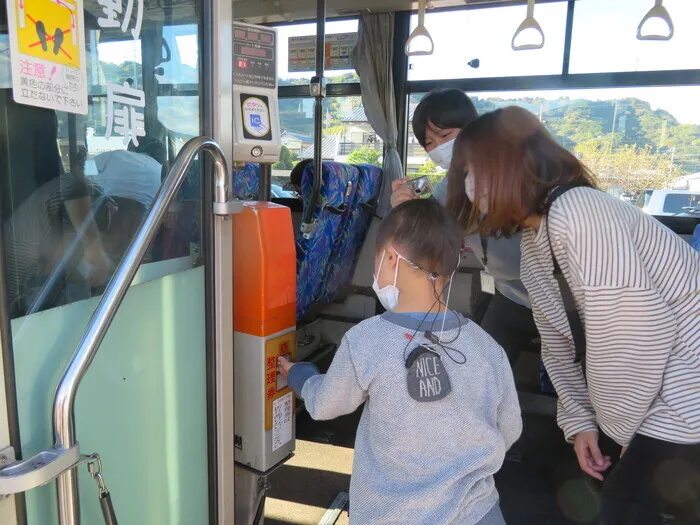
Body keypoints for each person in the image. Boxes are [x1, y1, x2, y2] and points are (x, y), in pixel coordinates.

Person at [447, 105, 700, 524]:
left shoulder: (580, 211)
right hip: (659, 392)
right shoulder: (536, 241)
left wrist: (617, 432)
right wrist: (582, 422)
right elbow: (560, 344)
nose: (469, 186)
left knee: (622, 507)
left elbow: (636, 338)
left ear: (508, 166)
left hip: (686, 388)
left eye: (473, 170)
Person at [278, 198, 522, 525]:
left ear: (390, 257)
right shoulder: (486, 345)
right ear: (452, 268)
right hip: (478, 513)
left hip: (392, 516)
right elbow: (510, 428)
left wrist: (301, 375)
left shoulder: (367, 340)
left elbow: (325, 405)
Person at [391, 88, 539, 369]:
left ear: (473, 128)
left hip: (558, 295)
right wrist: (405, 207)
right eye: (429, 144)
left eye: (444, 136)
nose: (438, 149)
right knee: (481, 369)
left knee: (577, 380)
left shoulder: (518, 168)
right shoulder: (451, 184)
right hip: (511, 295)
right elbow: (426, 234)